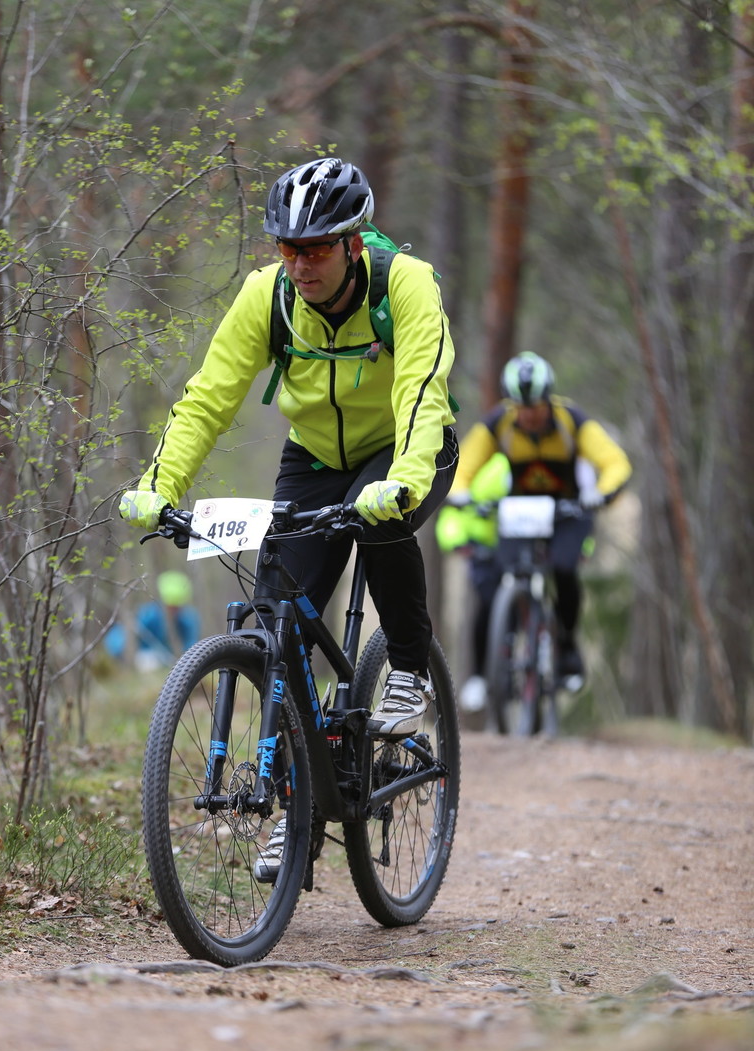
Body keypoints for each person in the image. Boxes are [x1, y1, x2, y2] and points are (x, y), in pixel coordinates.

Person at [119, 157, 458, 739]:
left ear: (353, 244)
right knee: (277, 626)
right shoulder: (267, 296)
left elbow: (420, 394)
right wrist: (158, 486)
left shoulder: (405, 282)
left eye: (317, 250)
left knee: (380, 524)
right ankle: (293, 810)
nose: (300, 265)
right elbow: (207, 402)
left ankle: (407, 669)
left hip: (405, 449)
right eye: (287, 249)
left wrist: (402, 479)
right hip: (316, 456)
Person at [449, 351, 632, 681]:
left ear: (548, 399)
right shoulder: (498, 423)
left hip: (569, 512)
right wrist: (460, 494)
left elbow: (615, 462)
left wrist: (602, 493)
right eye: (521, 407)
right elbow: (465, 464)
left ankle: (567, 645)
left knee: (564, 569)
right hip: (520, 512)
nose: (528, 414)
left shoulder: (571, 420)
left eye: (534, 406)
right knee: (497, 576)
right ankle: (499, 654)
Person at [435, 453, 510, 713]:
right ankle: (479, 675)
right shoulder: (480, 465)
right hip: (485, 550)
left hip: (523, 544)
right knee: (487, 606)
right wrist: (458, 542)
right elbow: (453, 513)